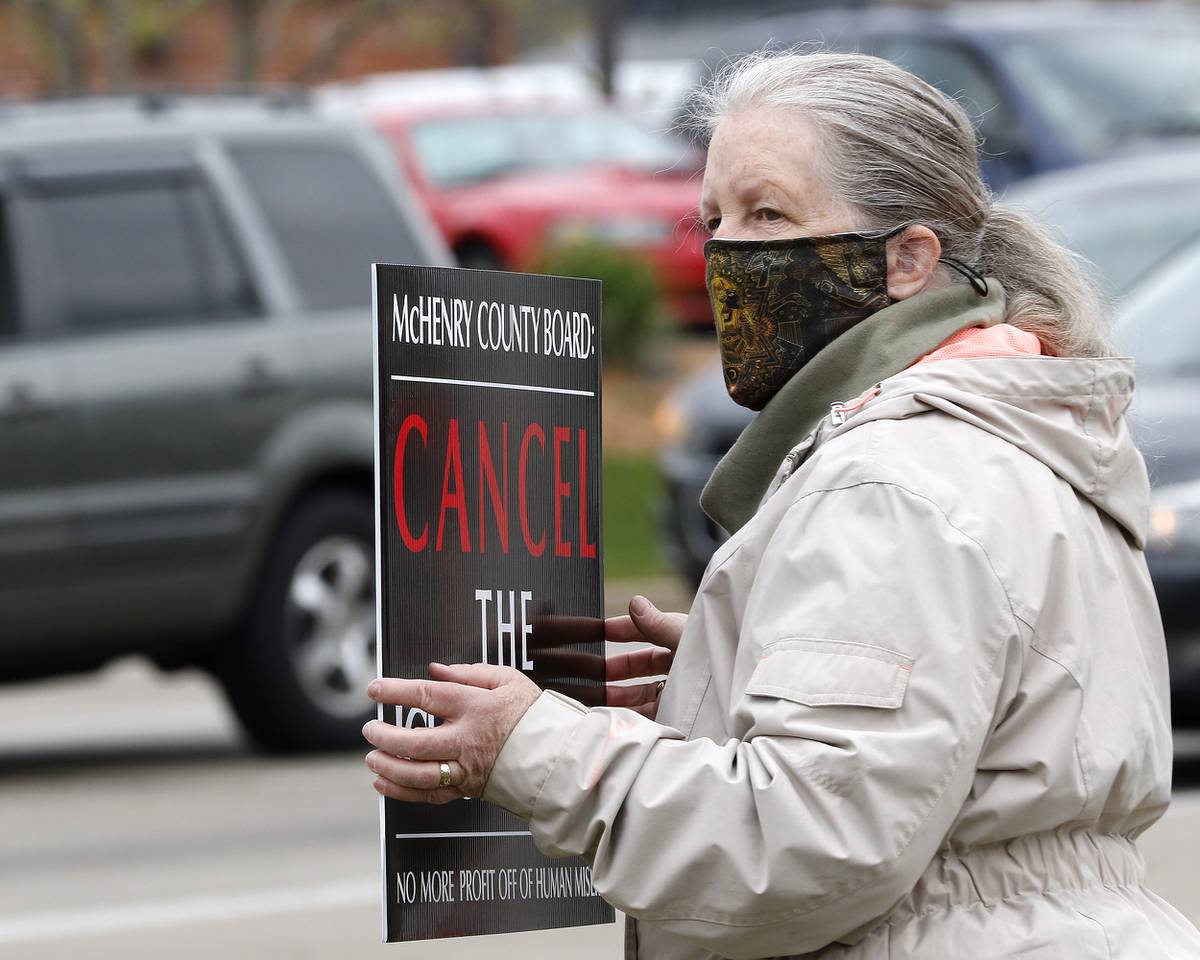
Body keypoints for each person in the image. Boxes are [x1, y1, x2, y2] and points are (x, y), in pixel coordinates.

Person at [362, 50, 1200, 959]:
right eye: (713, 217)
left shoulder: (893, 480)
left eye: (769, 213)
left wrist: (531, 747)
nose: (729, 253)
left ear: (910, 259)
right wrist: (739, 670)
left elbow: (805, 845)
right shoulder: (1002, 431)